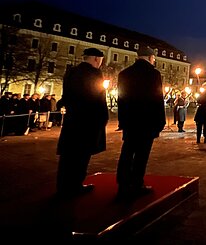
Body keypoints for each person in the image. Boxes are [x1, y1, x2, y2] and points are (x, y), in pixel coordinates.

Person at [55, 47, 109, 197]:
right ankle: (75, 186)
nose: (100, 64)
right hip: (88, 121)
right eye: (101, 61)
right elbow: (99, 99)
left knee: (67, 155)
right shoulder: (95, 74)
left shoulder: (71, 72)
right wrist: (103, 118)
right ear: (96, 59)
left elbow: (66, 95)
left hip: (72, 120)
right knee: (82, 155)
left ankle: (62, 186)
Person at [116, 46, 166, 199]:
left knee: (127, 151)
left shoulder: (124, 74)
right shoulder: (153, 74)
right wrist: (161, 120)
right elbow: (158, 99)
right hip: (147, 121)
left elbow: (121, 99)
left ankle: (123, 183)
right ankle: (137, 183)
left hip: (130, 120)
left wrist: (122, 120)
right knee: (142, 154)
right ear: (151, 58)